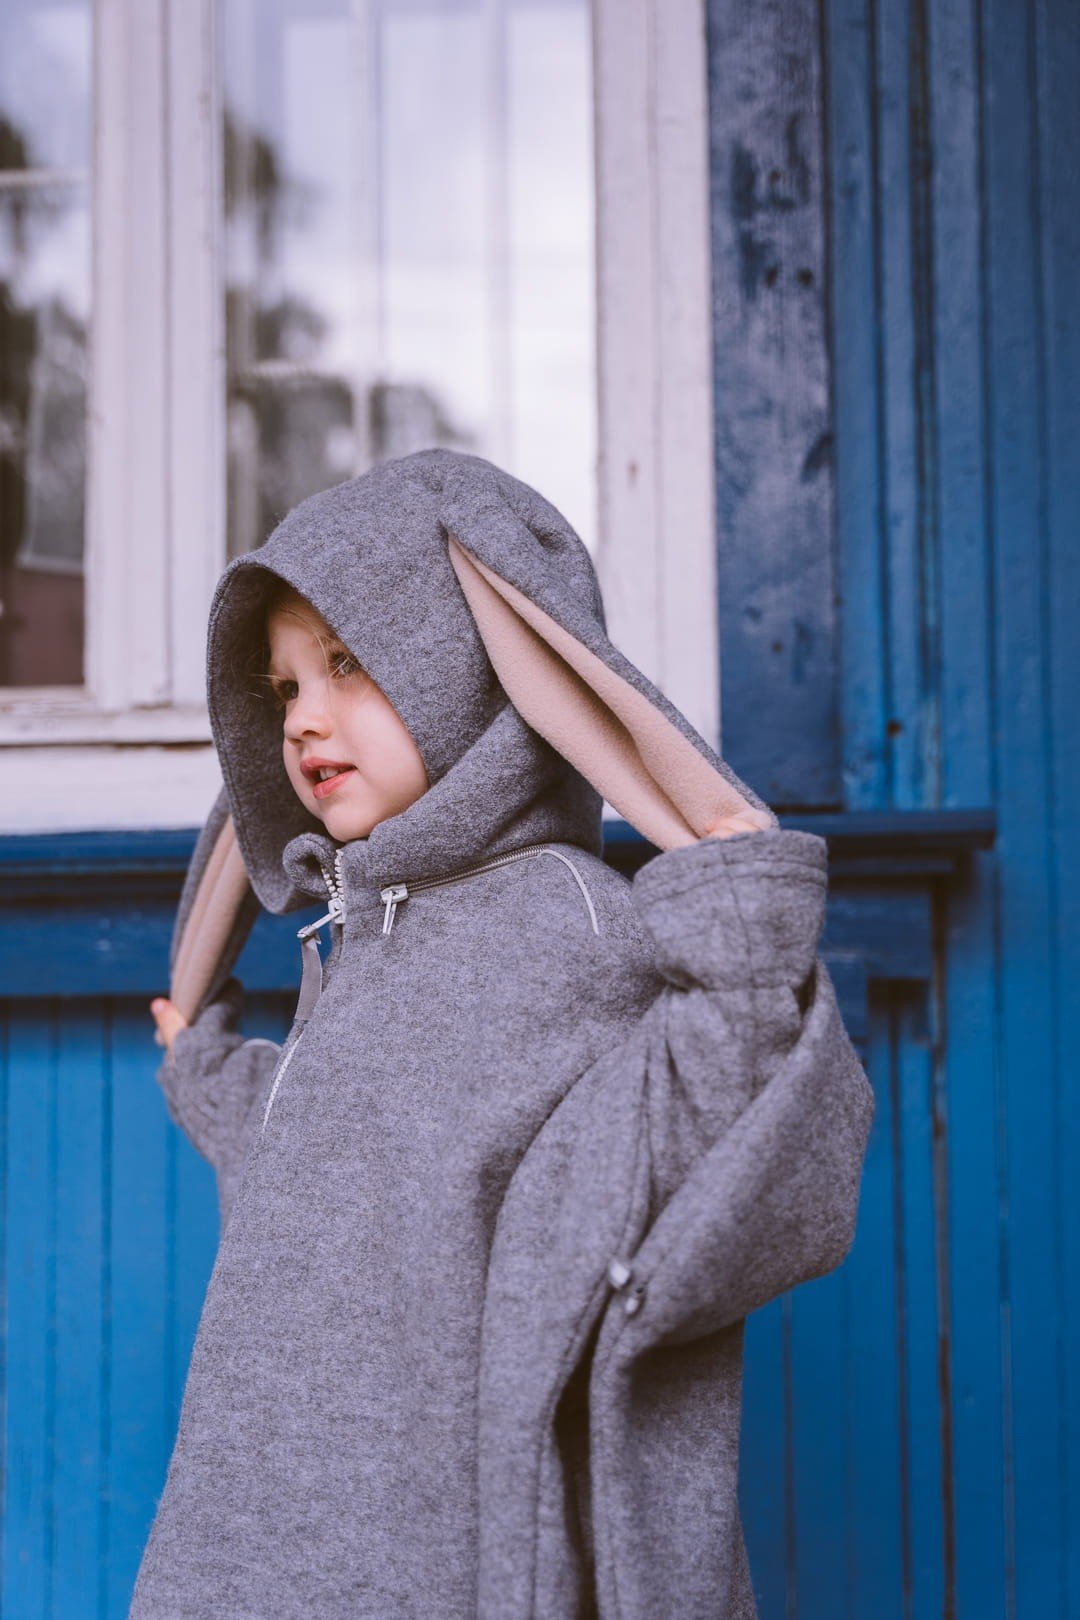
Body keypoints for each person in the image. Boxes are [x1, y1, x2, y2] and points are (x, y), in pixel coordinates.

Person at [131, 447, 875, 1619]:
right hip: (260, 1518)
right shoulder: (367, 929)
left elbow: (707, 1135)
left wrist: (743, 928)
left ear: (474, 664)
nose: (305, 719)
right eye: (282, 689)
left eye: (347, 662)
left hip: (447, 1540)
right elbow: (317, 1145)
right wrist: (201, 1063)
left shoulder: (572, 923)